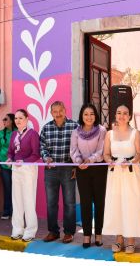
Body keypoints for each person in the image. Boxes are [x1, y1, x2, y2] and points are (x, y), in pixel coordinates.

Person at [102, 104, 140, 254]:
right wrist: (109, 160)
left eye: (125, 113)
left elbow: (138, 154)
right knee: (116, 205)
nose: (121, 115)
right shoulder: (109, 134)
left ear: (129, 116)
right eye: (118, 113)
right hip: (115, 174)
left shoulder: (135, 133)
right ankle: (118, 239)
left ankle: (130, 240)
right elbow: (106, 154)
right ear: (115, 115)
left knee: (131, 205)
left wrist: (129, 162)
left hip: (130, 174)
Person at [39, 101, 78, 243]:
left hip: (69, 168)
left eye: (60, 110)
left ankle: (69, 232)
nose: (58, 114)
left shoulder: (74, 126)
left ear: (65, 110)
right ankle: (53, 231)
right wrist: (46, 157)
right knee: (51, 203)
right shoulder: (46, 128)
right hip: (51, 170)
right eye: (54, 111)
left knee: (69, 202)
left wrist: (75, 167)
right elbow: (42, 146)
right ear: (51, 113)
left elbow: (78, 148)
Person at [70, 104, 107, 248]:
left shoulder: (102, 130)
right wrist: (79, 161)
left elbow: (101, 150)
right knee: (85, 203)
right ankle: (86, 235)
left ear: (95, 115)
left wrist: (90, 160)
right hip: (82, 170)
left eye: (92, 114)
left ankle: (98, 234)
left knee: (99, 203)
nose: (89, 117)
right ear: (81, 116)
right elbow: (73, 150)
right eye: (86, 114)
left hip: (98, 169)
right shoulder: (76, 132)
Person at [8, 109, 41, 242]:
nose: (17, 120)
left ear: (27, 119)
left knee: (28, 199)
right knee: (16, 200)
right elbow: (11, 151)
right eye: (16, 118)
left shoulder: (33, 134)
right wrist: (10, 158)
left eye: (20, 118)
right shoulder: (14, 134)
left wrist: (25, 161)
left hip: (28, 169)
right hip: (16, 169)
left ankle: (30, 231)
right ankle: (17, 229)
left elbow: (36, 154)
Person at [0, 113, 15, 220]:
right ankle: (7, 211)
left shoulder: (17, 132)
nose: (3, 120)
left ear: (11, 120)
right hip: (4, 166)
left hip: (16, 166)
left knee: (17, 189)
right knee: (7, 189)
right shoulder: (1, 133)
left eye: (5, 119)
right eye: (3, 119)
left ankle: (16, 212)